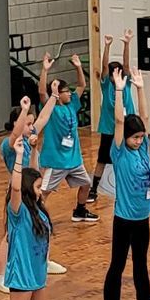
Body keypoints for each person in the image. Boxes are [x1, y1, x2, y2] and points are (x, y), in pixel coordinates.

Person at [102, 66, 150, 300]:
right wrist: (120, 90)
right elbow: (120, 121)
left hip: (143, 216)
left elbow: (144, 118)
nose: (140, 141)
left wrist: (140, 88)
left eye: (141, 137)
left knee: (141, 259)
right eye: (135, 138)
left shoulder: (142, 149)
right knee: (117, 264)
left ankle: (144, 298)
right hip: (124, 219)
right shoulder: (120, 152)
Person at [4, 137, 72, 300]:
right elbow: (16, 186)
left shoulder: (38, 206)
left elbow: (33, 173)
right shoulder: (18, 211)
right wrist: (19, 156)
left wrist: (33, 151)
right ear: (26, 190)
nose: (40, 190)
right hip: (22, 272)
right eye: (36, 187)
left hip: (37, 271)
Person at [0, 77, 67, 292]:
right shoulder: (9, 145)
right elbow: (16, 132)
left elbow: (44, 117)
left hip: (33, 191)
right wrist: (23, 110)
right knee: (9, 235)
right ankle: (1, 276)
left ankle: (44, 262)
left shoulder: (30, 139)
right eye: (27, 123)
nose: (31, 126)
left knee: (41, 225)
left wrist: (53, 96)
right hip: (17, 193)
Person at [38, 53, 98, 225]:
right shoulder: (49, 108)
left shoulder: (72, 105)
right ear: (57, 93)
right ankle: (35, 216)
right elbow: (42, 92)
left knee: (86, 184)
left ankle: (80, 211)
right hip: (56, 161)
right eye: (66, 92)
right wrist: (45, 70)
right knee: (43, 192)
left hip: (73, 159)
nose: (70, 94)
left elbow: (81, 85)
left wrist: (78, 66)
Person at [91, 30, 136, 203]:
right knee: (103, 159)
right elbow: (103, 67)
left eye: (119, 73)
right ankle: (94, 189)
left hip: (128, 126)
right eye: (113, 74)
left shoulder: (126, 83)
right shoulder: (106, 86)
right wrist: (107, 46)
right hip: (110, 128)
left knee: (127, 158)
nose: (117, 76)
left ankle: (127, 186)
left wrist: (126, 44)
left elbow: (126, 64)